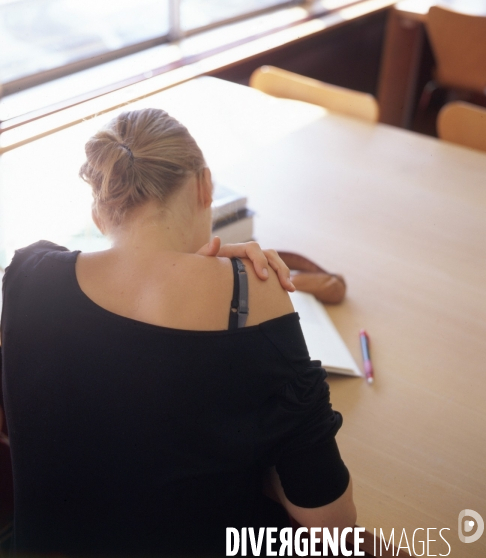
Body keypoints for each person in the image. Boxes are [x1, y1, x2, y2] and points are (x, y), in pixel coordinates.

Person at [1, 108, 355, 556]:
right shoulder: (252, 299)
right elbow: (332, 523)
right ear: (205, 186)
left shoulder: (26, 275)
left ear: (99, 212)